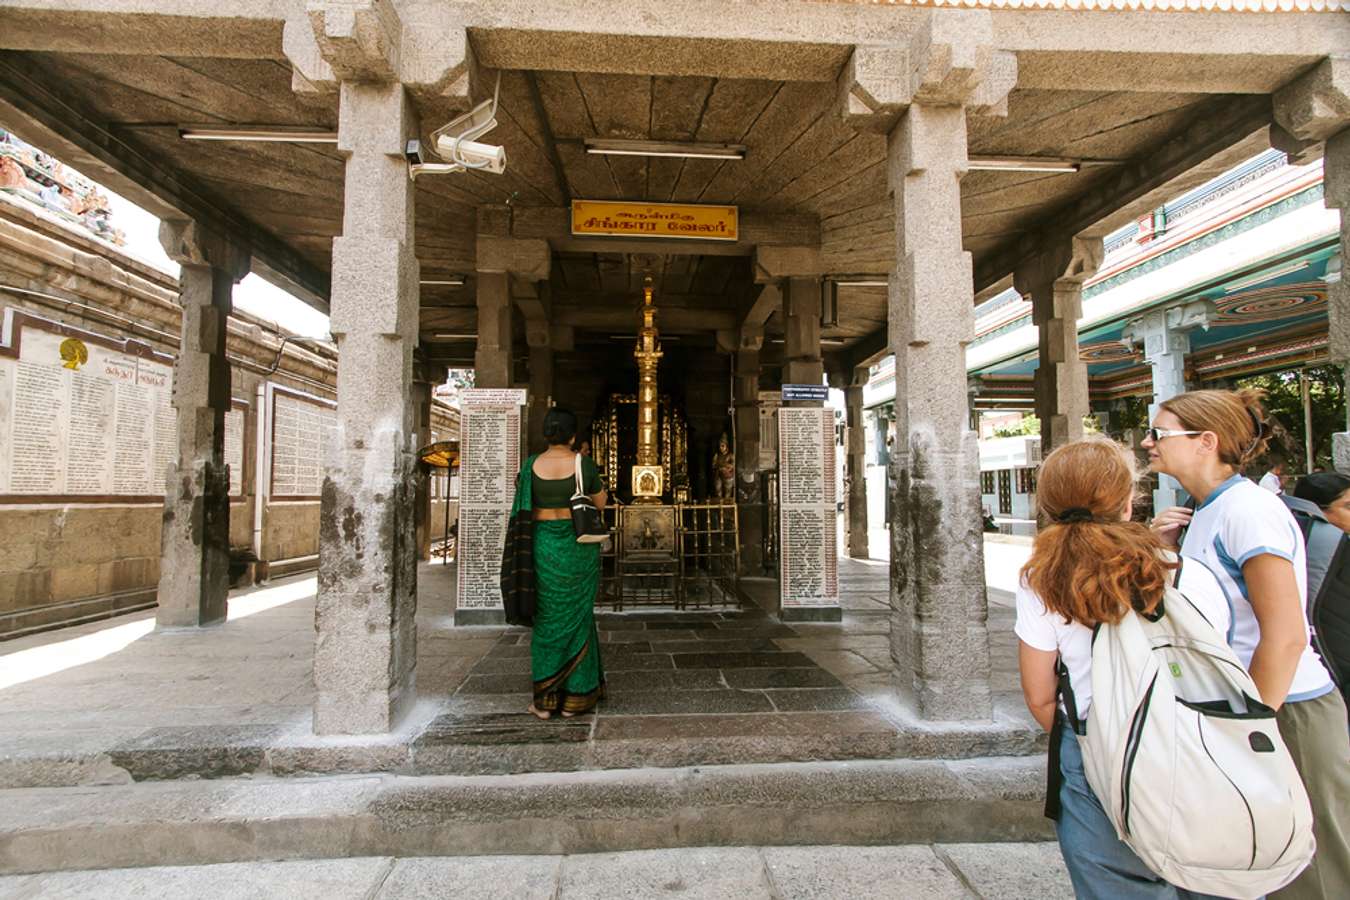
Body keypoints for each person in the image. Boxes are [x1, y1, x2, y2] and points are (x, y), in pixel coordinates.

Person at [1146, 389, 1349, 900]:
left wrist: (1252, 727)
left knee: (1311, 869)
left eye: (1160, 433)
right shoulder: (1205, 511)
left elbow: (1284, 635)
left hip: (1286, 710)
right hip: (1251, 705)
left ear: (1205, 441)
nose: (1148, 443)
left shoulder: (1248, 511)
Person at [1016, 437, 1232, 899]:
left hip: (1097, 743)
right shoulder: (1187, 572)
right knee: (1208, 877)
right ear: (1128, 501)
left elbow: (1039, 696)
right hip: (1196, 740)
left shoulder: (1042, 580)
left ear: (1048, 502)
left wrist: (1096, 736)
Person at [517, 407, 607, 719]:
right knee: (579, 617)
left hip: (542, 546)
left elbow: (523, 504)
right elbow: (600, 502)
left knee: (546, 619)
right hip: (577, 547)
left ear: (546, 434)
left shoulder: (530, 466)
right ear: (572, 436)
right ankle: (575, 700)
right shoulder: (583, 464)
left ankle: (544, 701)